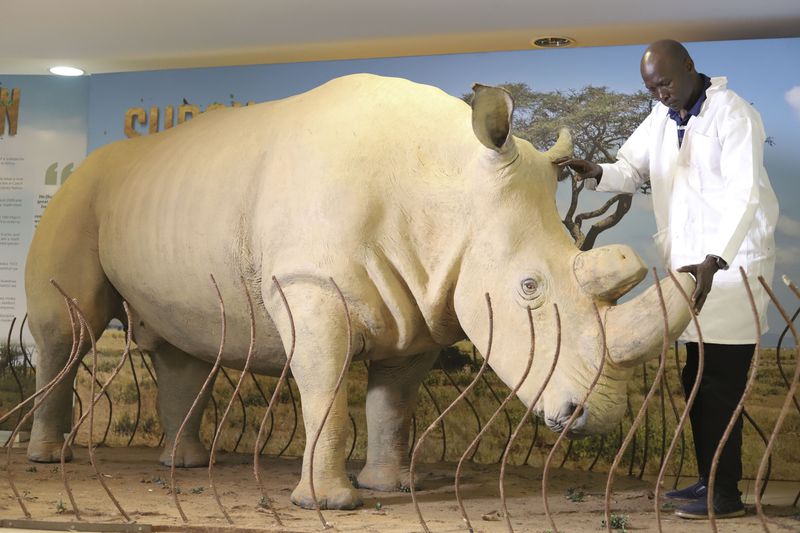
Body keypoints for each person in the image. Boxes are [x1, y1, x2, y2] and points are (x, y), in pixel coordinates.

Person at [555, 39, 778, 520]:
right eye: (651, 87)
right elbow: (631, 169)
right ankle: (709, 481)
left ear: (690, 67)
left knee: (719, 382)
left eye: (666, 83)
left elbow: (744, 197)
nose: (660, 94)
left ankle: (724, 495)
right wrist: (596, 172)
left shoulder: (733, 115)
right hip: (691, 273)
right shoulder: (662, 117)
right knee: (697, 377)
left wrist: (715, 259)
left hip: (730, 269)